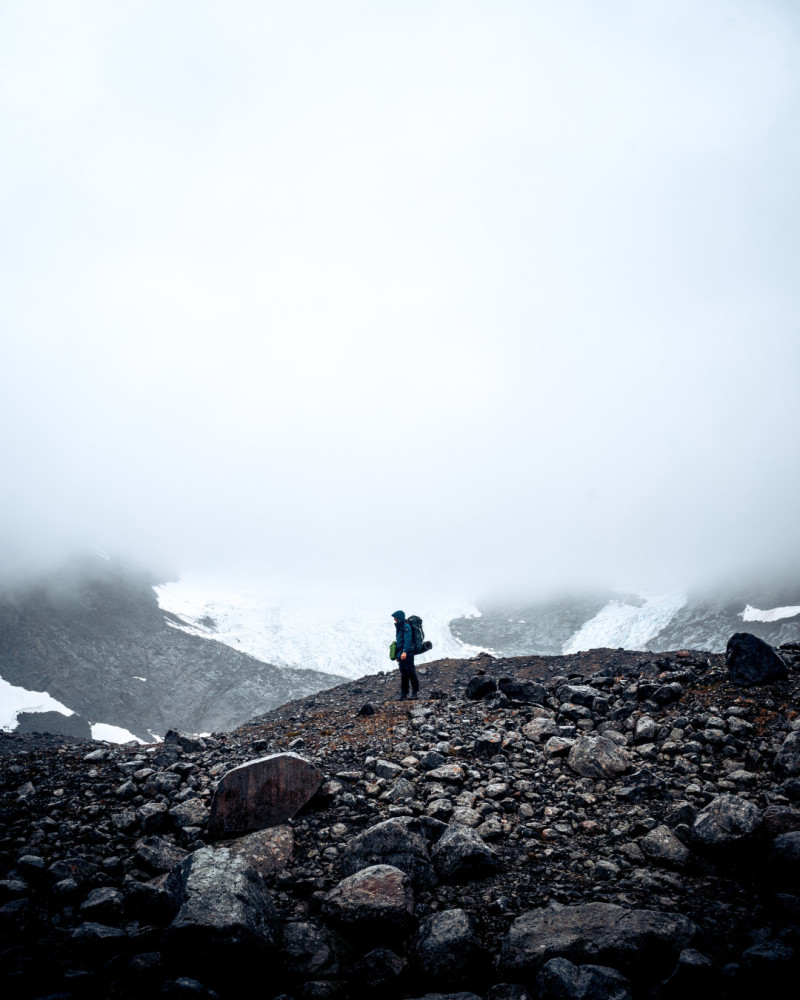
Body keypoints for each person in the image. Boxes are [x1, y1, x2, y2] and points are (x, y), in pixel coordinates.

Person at [392, 609, 419, 700]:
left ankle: (415, 693)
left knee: (411, 672)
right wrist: (397, 655)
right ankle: (404, 694)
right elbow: (399, 641)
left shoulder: (406, 627)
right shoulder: (399, 627)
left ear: (400, 618)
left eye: (396, 618)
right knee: (404, 674)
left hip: (407, 653)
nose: (395, 620)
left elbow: (408, 640)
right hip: (401, 653)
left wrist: (405, 652)